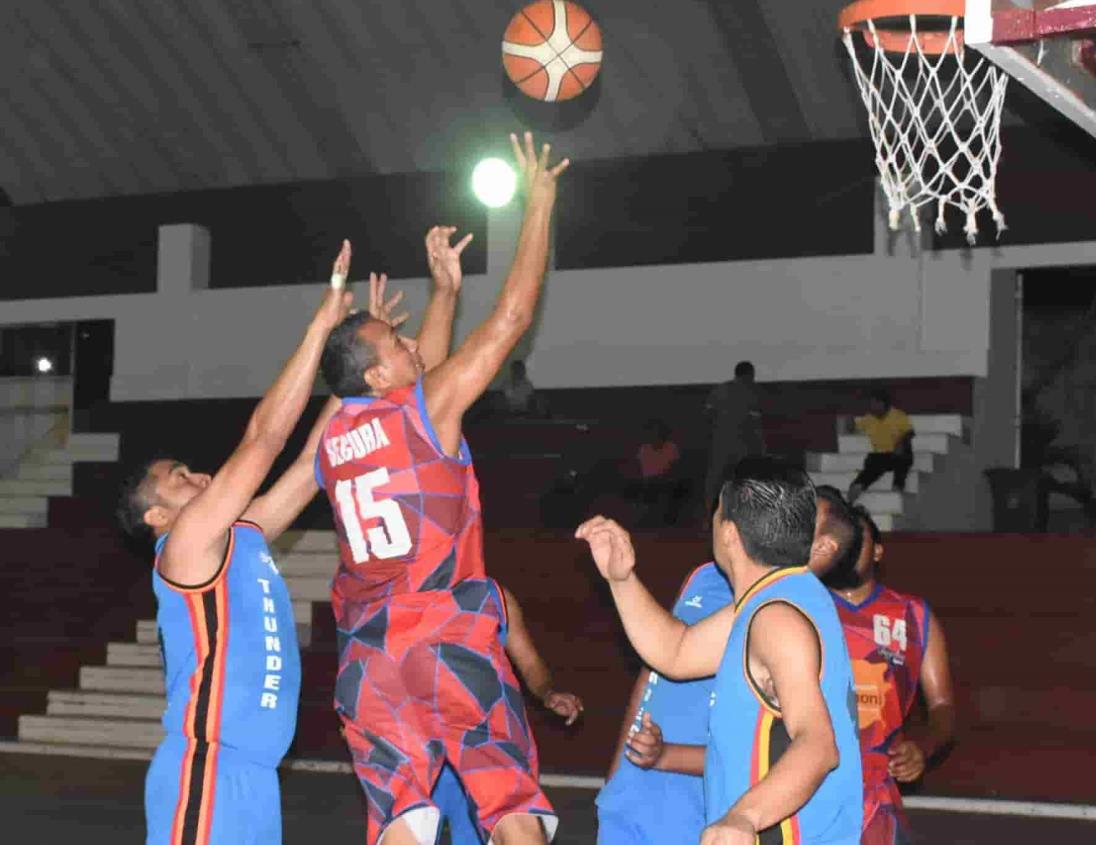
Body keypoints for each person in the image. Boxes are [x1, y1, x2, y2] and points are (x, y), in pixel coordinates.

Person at [315, 133, 568, 845]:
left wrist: (445, 291)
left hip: (367, 657)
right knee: (509, 804)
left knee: (400, 823)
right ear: (375, 375)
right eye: (394, 343)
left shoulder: (332, 440)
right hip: (443, 636)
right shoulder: (422, 411)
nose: (409, 346)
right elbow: (513, 319)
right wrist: (540, 204)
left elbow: (415, 380)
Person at [116, 244, 361, 844]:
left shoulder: (239, 537)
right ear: (156, 515)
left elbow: (308, 463)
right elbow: (266, 437)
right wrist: (320, 328)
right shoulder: (185, 548)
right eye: (178, 477)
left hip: (256, 777)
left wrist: (353, 375)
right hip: (206, 767)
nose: (196, 476)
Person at [577, 458, 862, 845]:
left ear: (728, 533)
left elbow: (818, 744)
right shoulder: (781, 597)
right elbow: (675, 652)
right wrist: (621, 579)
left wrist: (743, 817)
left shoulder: (776, 619)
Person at [821, 507, 956, 845]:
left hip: (879, 795)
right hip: (811, 782)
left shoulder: (913, 615)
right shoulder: (801, 608)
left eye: (857, 540)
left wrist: (923, 748)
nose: (847, 549)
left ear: (878, 550)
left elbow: (942, 706)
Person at [433, 580, 584, 845]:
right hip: (426, 750)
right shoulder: (401, 595)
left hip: (487, 746)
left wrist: (548, 693)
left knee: (516, 832)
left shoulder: (495, 596)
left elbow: (530, 664)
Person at [595, 561, 734, 845]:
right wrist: (616, 776)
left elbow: (756, 755)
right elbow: (651, 670)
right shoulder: (703, 575)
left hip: (695, 812)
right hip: (631, 796)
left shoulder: (777, 605)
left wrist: (665, 755)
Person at [703, 361, 764, 511]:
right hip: (743, 446)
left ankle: (706, 519)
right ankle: (743, 516)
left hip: (719, 444)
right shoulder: (751, 393)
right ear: (750, 375)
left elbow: (706, 415)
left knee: (714, 483)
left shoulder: (719, 390)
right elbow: (755, 424)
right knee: (744, 482)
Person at [847, 390, 914, 504]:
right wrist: (850, 420)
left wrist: (900, 444)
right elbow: (853, 428)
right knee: (872, 464)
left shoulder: (898, 415)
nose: (871, 406)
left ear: (882, 404)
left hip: (897, 453)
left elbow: (909, 433)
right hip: (880, 456)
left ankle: (898, 486)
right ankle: (858, 486)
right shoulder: (868, 419)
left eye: (874, 403)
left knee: (903, 456)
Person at [625, 418, 688, 526]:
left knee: (677, 488)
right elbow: (636, 470)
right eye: (653, 433)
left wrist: (663, 478)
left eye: (658, 433)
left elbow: (676, 470)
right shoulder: (643, 449)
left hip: (666, 482)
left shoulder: (671, 448)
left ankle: (668, 522)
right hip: (647, 483)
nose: (656, 436)